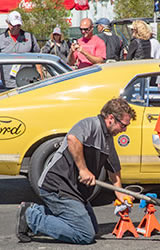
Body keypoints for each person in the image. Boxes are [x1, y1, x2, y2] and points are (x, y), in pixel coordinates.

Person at [16, 97, 136, 244]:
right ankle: (31, 217)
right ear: (111, 118)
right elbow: (73, 139)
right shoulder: (90, 124)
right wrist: (83, 170)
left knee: (92, 228)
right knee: (85, 234)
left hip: (76, 192)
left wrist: (120, 193)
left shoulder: (107, 140)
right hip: (57, 187)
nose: (124, 130)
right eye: (123, 125)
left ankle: (35, 210)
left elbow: (114, 171)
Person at [0, 11, 40, 88]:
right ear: (8, 23)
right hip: (7, 85)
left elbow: (38, 57)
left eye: (18, 25)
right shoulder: (1, 39)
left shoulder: (29, 37)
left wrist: (40, 73)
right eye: (14, 25)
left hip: (28, 82)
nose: (16, 28)